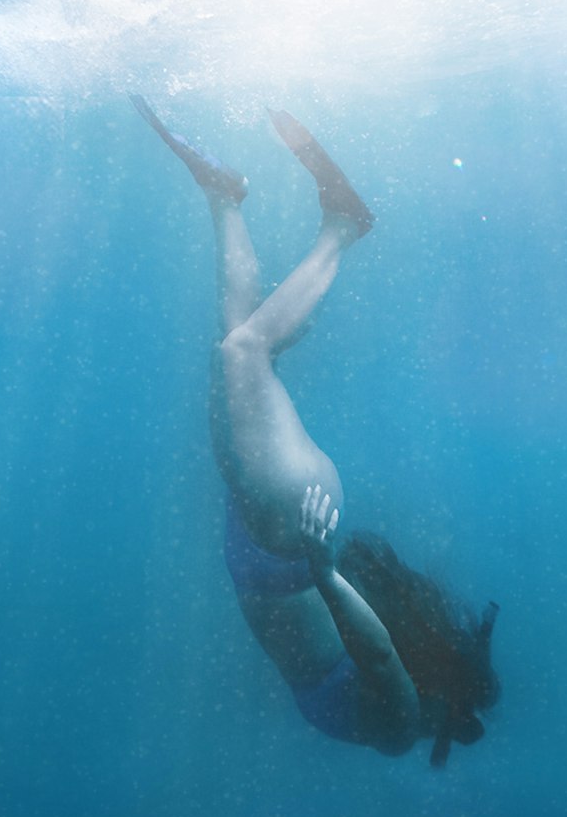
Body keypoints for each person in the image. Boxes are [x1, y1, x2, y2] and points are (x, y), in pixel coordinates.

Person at [130, 97, 499, 766]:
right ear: (453, 699)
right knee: (242, 354)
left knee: (241, 346)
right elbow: (379, 654)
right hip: (283, 537)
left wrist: (325, 575)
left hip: (263, 537)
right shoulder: (397, 728)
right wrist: (326, 575)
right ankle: (342, 229)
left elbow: (381, 653)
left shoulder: (402, 723)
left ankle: (225, 199)